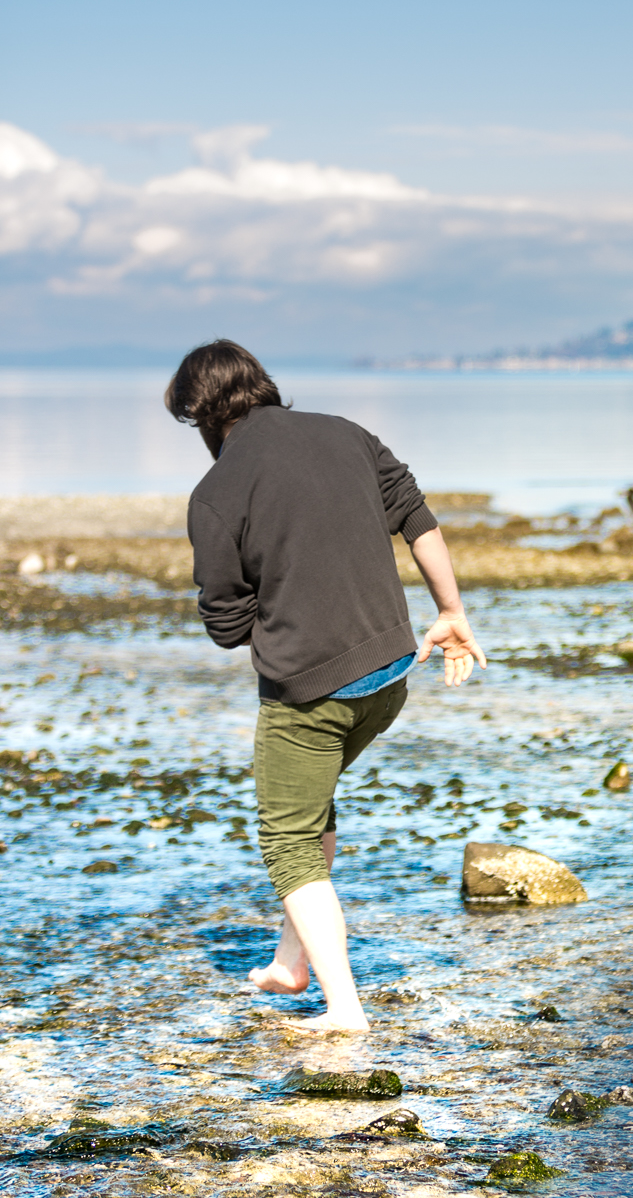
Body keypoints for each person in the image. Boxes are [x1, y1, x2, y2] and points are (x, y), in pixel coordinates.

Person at [165, 340, 486, 1031]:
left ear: (201, 416)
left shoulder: (216, 494)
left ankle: (344, 1009)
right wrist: (452, 614)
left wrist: (286, 619)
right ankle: (291, 963)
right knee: (311, 805)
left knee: (285, 840)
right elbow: (417, 519)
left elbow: (225, 624)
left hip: (311, 695)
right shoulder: (347, 433)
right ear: (261, 386)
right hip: (391, 674)